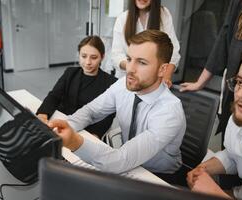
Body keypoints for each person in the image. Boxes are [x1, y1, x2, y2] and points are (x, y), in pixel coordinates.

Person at [48, 30, 186, 174]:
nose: (130, 69)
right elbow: (91, 111)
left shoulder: (169, 111)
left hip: (158, 177)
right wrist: (63, 128)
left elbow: (120, 160)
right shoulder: (122, 85)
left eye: (142, 62)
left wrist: (74, 142)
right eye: (129, 59)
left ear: (162, 69)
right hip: (128, 164)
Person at [186, 45, 242, 200]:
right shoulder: (238, 120)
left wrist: (214, 193)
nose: (241, 94)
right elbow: (233, 155)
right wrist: (203, 169)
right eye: (240, 82)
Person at [180, 0, 242, 141]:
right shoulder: (239, 3)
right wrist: (200, 83)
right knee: (231, 143)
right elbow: (222, 42)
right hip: (237, 94)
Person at [36, 36, 117, 139]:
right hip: (63, 123)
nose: (88, 62)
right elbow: (54, 95)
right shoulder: (70, 73)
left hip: (88, 131)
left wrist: (95, 134)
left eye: (93, 57)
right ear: (79, 55)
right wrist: (43, 114)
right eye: (83, 56)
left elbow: (108, 116)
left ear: (102, 57)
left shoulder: (111, 82)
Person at [111, 0, 180, 87]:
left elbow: (173, 51)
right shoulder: (122, 18)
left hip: (154, 82)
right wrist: (135, 67)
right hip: (126, 81)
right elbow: (116, 56)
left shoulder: (163, 14)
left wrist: (166, 77)